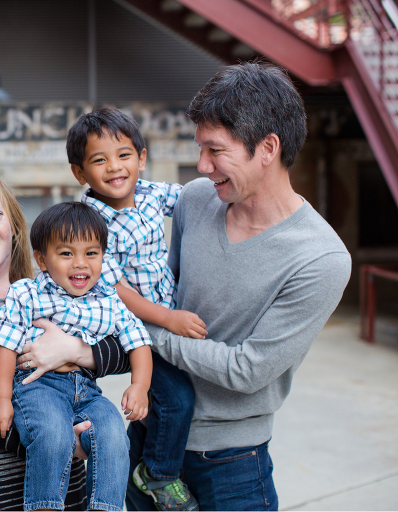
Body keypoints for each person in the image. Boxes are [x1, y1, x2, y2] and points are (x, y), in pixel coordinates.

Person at [120, 62, 351, 511]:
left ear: (268, 148)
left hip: (230, 463)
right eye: (199, 148)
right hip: (149, 439)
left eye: (215, 150)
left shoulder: (320, 258)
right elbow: (162, 299)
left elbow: (247, 370)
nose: (202, 165)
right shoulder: (195, 200)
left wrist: (143, 330)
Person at [0, 166, 132, 511]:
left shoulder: (47, 286)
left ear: (13, 221)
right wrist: (58, 439)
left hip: (67, 489)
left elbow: (123, 345)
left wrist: (76, 350)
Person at [66, 107, 205, 511]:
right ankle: (158, 474)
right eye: (99, 160)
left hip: (163, 314)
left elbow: (192, 198)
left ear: (141, 158)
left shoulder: (151, 193)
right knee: (176, 400)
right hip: (133, 327)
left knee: (160, 403)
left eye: (124, 155)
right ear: (80, 173)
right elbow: (116, 289)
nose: (115, 167)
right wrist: (169, 319)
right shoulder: (90, 221)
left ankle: (130, 468)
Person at [0, 202, 153, 512]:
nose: (81, 264)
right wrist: (1, 399)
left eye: (91, 253)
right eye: (66, 254)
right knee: (53, 434)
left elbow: (138, 341)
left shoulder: (109, 299)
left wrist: (140, 386)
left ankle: (106, 507)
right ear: (42, 259)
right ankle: (44, 505)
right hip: (39, 386)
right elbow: (6, 345)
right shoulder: (29, 294)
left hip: (87, 392)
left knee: (114, 433)